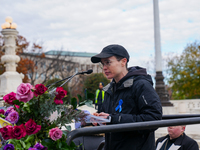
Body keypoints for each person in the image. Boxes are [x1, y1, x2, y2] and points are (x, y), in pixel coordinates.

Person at [91, 44, 162, 150]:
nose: (104, 67)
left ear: (123, 62)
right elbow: (109, 118)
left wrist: (113, 119)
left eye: (108, 62)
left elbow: (153, 118)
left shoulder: (141, 85)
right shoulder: (108, 90)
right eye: (103, 64)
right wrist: (98, 120)